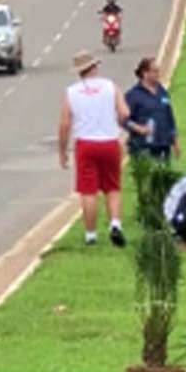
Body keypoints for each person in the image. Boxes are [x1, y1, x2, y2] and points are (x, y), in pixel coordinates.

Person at [58, 51, 130, 247]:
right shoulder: (110, 86)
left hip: (86, 143)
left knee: (88, 190)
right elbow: (124, 112)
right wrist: (113, 121)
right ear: (95, 67)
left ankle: (91, 234)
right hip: (109, 142)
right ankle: (115, 224)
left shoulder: (71, 92)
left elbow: (65, 123)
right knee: (112, 187)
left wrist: (62, 150)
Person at [125, 57, 180, 161]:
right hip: (143, 146)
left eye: (158, 71)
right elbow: (124, 120)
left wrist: (175, 140)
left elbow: (169, 116)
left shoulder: (162, 91)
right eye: (155, 71)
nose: (158, 74)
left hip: (163, 144)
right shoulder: (133, 95)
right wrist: (138, 128)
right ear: (145, 73)